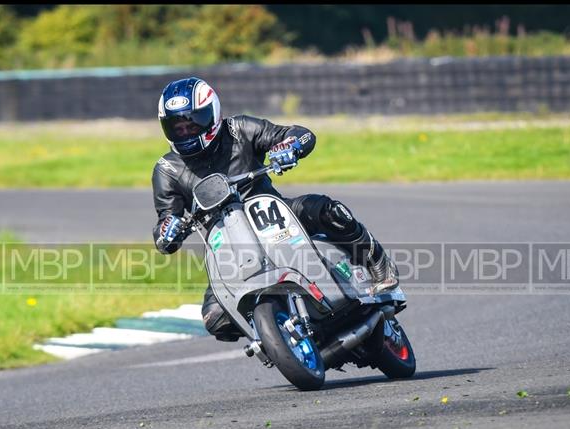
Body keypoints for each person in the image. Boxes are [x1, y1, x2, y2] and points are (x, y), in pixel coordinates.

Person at [151, 77, 398, 341]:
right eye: (177, 127)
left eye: (192, 123)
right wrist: (168, 231)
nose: (186, 132)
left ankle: (376, 263)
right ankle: (273, 335)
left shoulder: (240, 129)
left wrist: (288, 146)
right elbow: (166, 221)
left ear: (212, 114)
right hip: (227, 246)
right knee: (216, 319)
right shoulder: (167, 170)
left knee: (327, 210)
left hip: (273, 213)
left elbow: (299, 133)